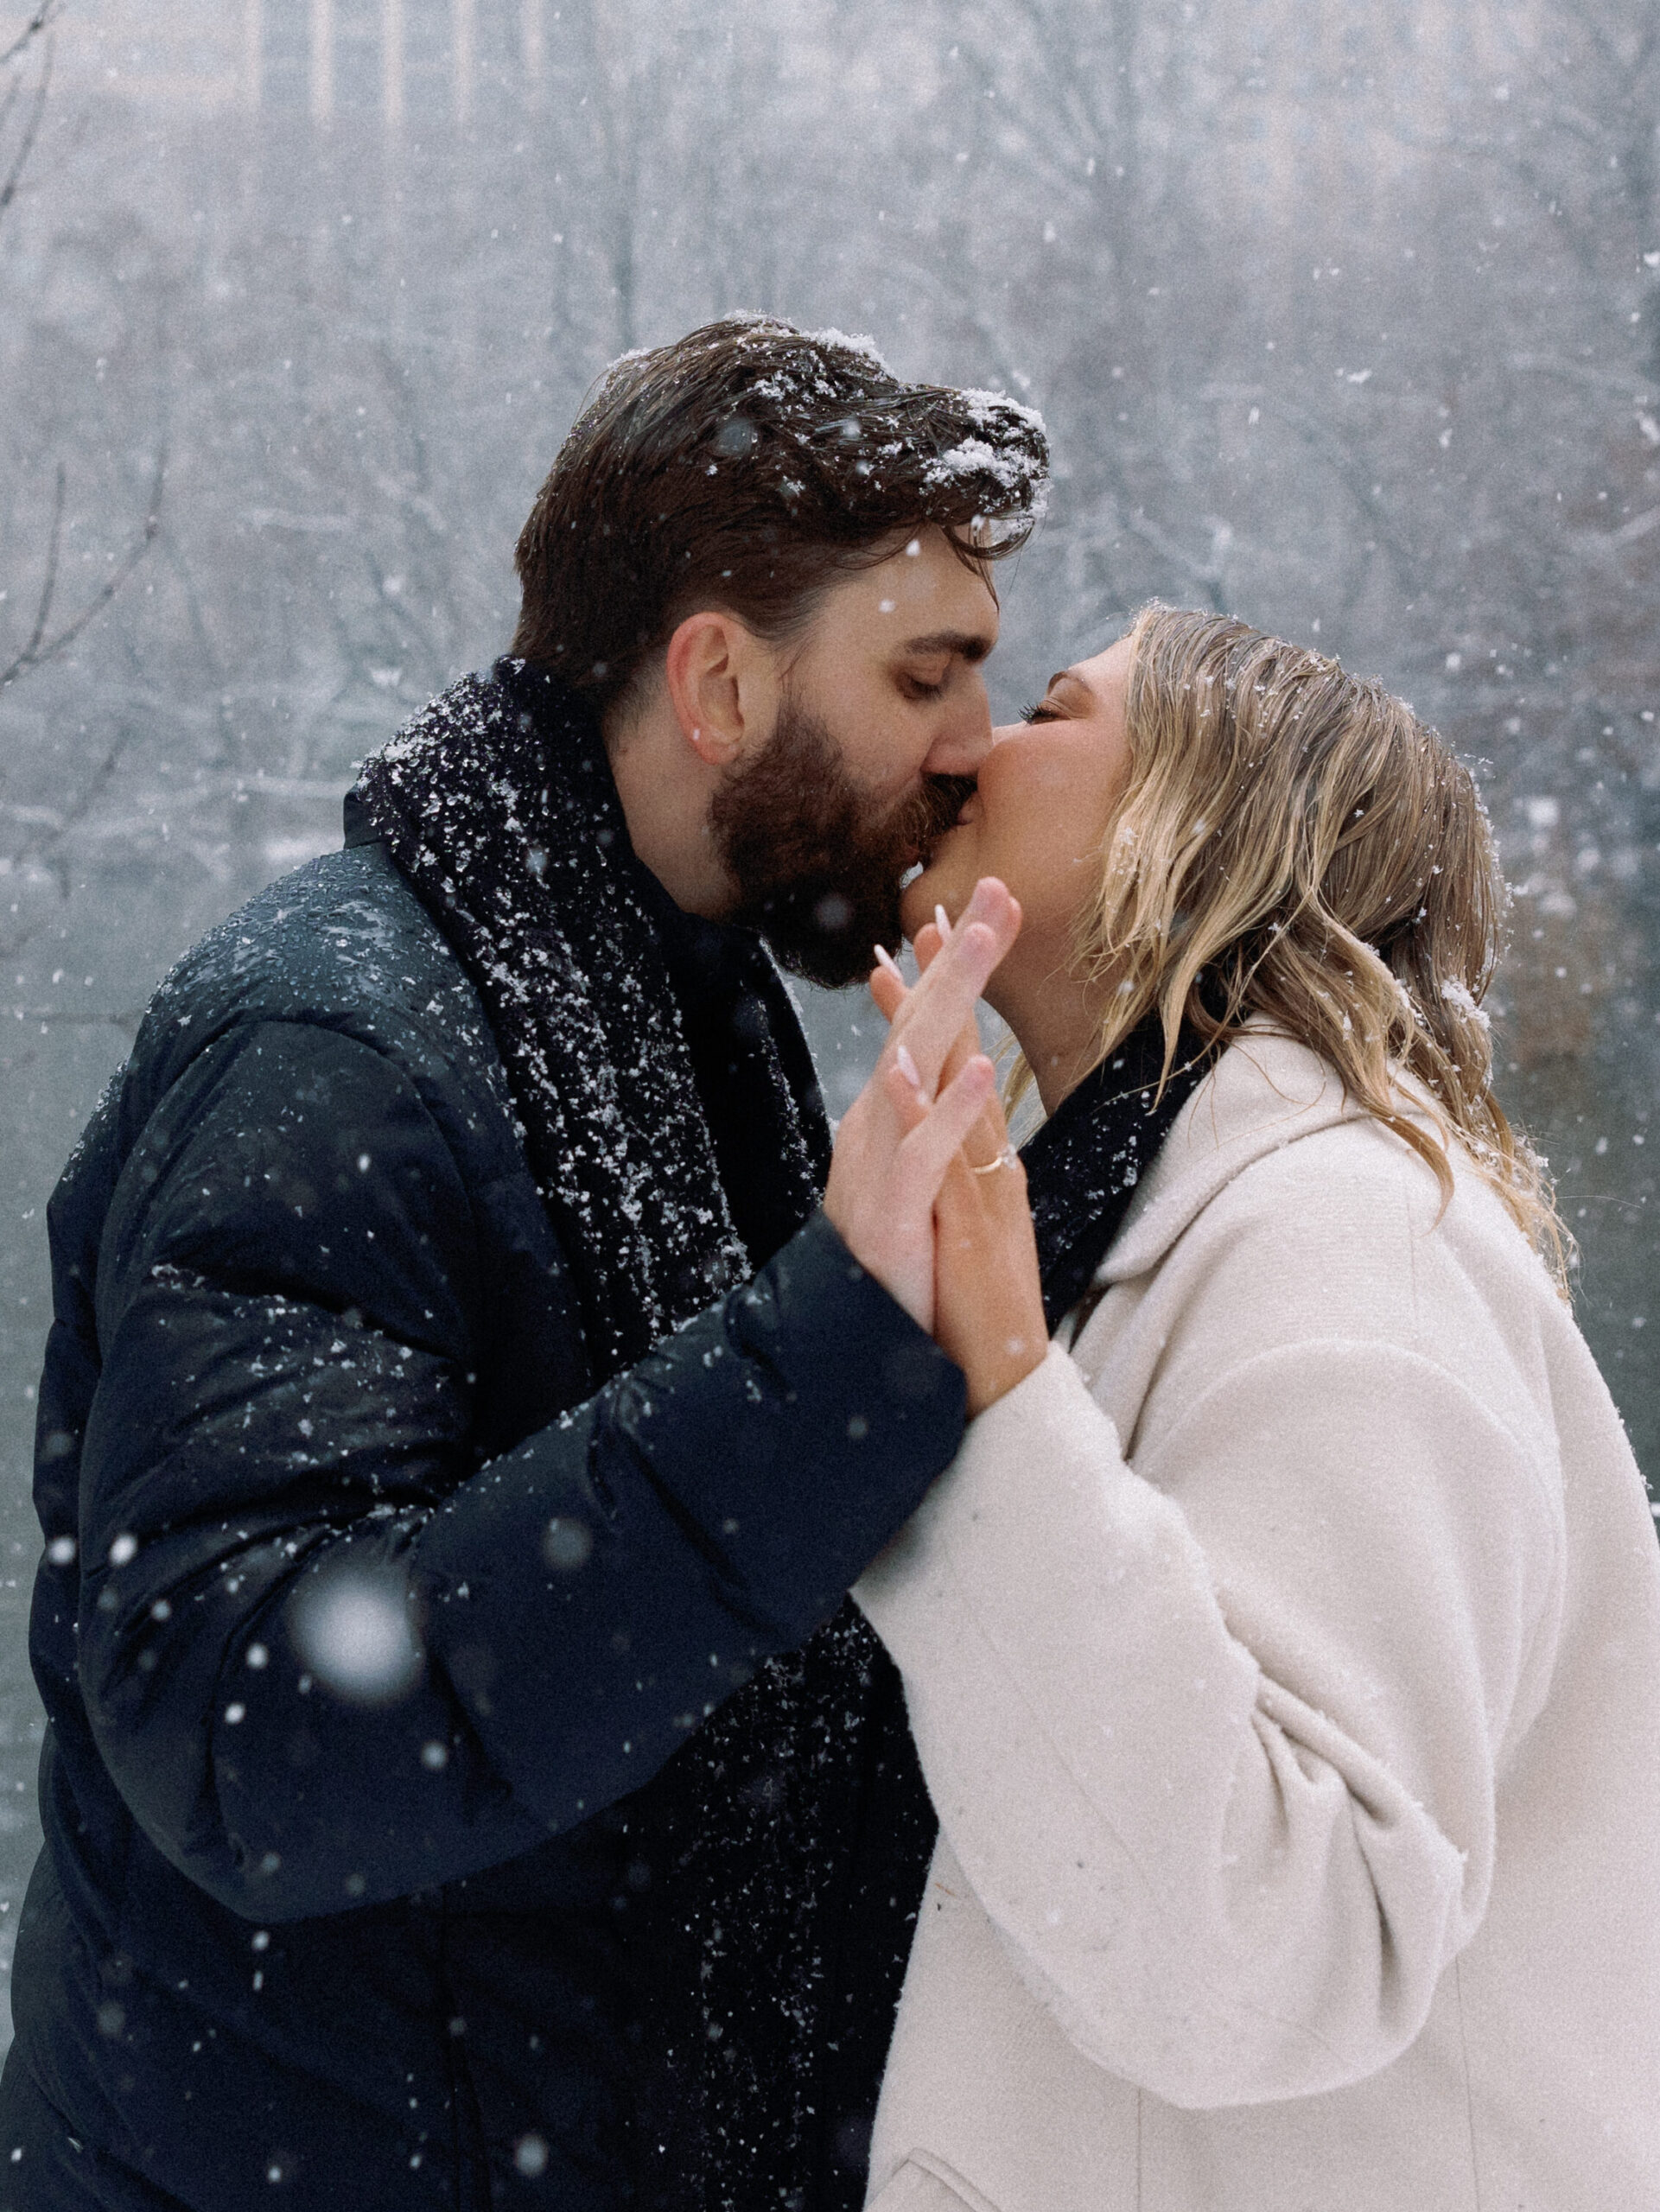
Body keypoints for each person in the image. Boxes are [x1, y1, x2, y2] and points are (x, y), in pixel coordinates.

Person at [0, 318, 1048, 2212]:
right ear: (718, 683)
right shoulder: (337, 1057)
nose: (974, 744)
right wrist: (824, 1364)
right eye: (926, 673)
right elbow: (247, 1727)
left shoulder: (673, 992)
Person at [855, 606, 1660, 2212]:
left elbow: (1279, 1941)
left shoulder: (1353, 1244)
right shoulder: (1177, 1225)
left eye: (1060, 711)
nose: (977, 740)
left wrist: (992, 1407)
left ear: (1200, 823)